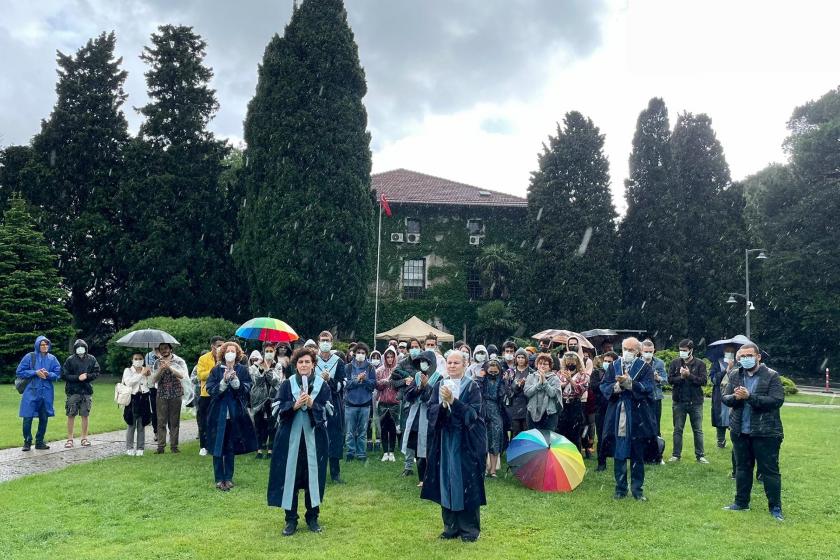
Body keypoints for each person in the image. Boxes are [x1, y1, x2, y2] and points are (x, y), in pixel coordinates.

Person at [421, 350, 487, 542]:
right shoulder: (439, 385)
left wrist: (453, 402)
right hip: (445, 441)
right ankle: (450, 527)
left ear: (465, 365)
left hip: (465, 444)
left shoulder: (472, 387)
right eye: (449, 362)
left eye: (456, 363)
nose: (452, 366)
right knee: (446, 481)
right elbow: (431, 413)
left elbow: (473, 416)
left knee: (466, 482)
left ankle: (469, 529)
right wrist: (442, 406)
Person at [268, 346, 331, 535]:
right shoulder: (287, 385)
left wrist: (313, 405)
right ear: (296, 365)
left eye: (308, 362)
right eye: (301, 362)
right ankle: (290, 520)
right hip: (290, 440)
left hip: (314, 440)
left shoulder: (322, 385)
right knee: (290, 478)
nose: (304, 365)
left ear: (313, 365)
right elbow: (276, 409)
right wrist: (293, 405)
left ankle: (312, 517)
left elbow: (330, 411)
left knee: (313, 477)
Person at [722, 342, 785, 521]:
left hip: (766, 432)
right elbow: (725, 398)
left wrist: (750, 397)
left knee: (769, 471)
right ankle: (741, 503)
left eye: (749, 356)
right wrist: (736, 397)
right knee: (742, 468)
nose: (745, 359)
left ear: (758, 357)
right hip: (740, 431)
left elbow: (776, 400)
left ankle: (775, 508)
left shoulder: (771, 376)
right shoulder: (735, 374)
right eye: (741, 357)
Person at [600, 337, 656, 500]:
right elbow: (604, 386)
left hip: (637, 414)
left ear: (638, 351)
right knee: (619, 451)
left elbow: (649, 388)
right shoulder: (614, 365)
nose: (627, 352)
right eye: (625, 348)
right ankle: (620, 489)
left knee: (637, 452)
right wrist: (616, 387)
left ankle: (638, 491)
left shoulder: (645, 368)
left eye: (631, 350)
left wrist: (631, 384)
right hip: (618, 413)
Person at [206, 342, 258, 491]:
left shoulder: (242, 370)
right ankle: (218, 478)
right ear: (223, 353)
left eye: (233, 351)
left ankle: (228, 478)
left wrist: (235, 381)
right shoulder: (216, 370)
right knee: (217, 447)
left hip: (235, 414)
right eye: (227, 351)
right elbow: (210, 389)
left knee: (230, 446)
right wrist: (223, 381)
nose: (230, 353)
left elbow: (247, 388)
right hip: (218, 414)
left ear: (237, 353)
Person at [401, 350, 441, 486]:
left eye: (426, 361)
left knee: (429, 447)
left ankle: (431, 475)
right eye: (421, 361)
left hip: (429, 418)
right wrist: (419, 388)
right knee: (417, 447)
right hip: (416, 417)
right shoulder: (417, 376)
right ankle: (422, 478)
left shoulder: (438, 378)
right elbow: (408, 395)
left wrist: (426, 387)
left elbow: (433, 398)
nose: (423, 364)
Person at [16, 336, 62, 451]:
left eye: (46, 344)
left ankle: (39, 442)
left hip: (46, 392)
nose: (45, 346)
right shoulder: (29, 357)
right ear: (37, 345)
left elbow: (58, 373)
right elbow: (19, 372)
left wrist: (48, 374)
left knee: (44, 417)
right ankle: (27, 441)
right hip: (31, 391)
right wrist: (35, 372)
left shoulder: (52, 359)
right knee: (27, 417)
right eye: (42, 344)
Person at [667, 339, 709, 464]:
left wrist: (689, 375)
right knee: (678, 429)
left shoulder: (700, 364)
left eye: (684, 350)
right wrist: (681, 377)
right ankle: (676, 455)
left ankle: (700, 455)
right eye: (680, 350)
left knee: (698, 430)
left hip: (695, 402)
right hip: (679, 401)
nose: (682, 353)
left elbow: (703, 381)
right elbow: (670, 380)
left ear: (691, 350)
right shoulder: (675, 363)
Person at [314, 331, 346, 483]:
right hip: (317, 402)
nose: (325, 343)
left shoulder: (338, 361)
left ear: (332, 343)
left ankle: (335, 473)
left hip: (334, 402)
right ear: (318, 342)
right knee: (317, 436)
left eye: (327, 340)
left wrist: (330, 380)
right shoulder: (313, 361)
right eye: (322, 340)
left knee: (334, 436)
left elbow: (342, 385)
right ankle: (317, 472)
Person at [61, 339, 101, 448]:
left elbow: (96, 372)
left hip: (86, 391)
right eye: (78, 347)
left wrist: (87, 376)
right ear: (75, 349)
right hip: (72, 391)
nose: (80, 349)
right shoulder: (70, 360)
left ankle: (84, 438)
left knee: (85, 415)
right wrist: (77, 378)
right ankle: (70, 439)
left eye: (82, 347)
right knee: (71, 414)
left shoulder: (91, 359)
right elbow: (64, 375)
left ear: (86, 348)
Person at [150, 342, 188, 453]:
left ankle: (174, 447)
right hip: (161, 394)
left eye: (166, 348)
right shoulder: (157, 362)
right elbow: (153, 380)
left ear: (170, 349)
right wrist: (160, 369)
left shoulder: (179, 361)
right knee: (161, 421)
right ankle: (160, 447)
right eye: (161, 349)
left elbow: (183, 375)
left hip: (176, 394)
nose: (164, 350)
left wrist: (170, 368)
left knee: (174, 422)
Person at [251, 343, 284, 460]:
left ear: (274, 352)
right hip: (258, 399)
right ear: (263, 352)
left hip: (273, 399)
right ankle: (259, 449)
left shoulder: (278, 366)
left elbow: (277, 382)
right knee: (259, 425)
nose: (269, 353)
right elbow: (257, 382)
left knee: (272, 425)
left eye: (271, 351)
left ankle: (271, 449)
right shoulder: (255, 366)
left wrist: (268, 371)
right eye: (267, 351)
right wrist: (261, 369)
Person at [344, 342, 376, 462]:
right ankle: (350, 452)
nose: (360, 355)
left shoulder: (370, 367)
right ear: (354, 353)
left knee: (363, 431)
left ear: (366, 354)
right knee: (350, 431)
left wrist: (366, 379)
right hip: (350, 404)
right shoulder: (348, 367)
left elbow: (373, 385)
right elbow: (346, 385)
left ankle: (361, 453)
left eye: (363, 353)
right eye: (358, 352)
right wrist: (357, 380)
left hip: (365, 404)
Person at [475, 359, 506, 478]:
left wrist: (504, 381)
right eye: (491, 371)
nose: (493, 373)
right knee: (483, 440)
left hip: (495, 412)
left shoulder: (501, 381)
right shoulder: (481, 380)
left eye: (495, 371)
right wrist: (480, 378)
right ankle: (483, 468)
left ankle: (493, 470)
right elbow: (477, 390)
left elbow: (503, 395)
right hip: (482, 410)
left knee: (495, 439)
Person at [196, 336, 224, 456]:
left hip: (220, 393)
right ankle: (203, 446)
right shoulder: (203, 358)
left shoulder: (225, 358)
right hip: (206, 394)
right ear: (212, 346)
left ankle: (215, 445)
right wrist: (215, 368)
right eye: (219, 345)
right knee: (204, 421)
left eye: (223, 345)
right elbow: (201, 375)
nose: (221, 348)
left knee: (218, 421)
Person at [556, 351, 589, 451]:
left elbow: (580, 390)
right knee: (561, 430)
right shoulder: (559, 374)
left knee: (575, 431)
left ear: (577, 362)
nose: (570, 364)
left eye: (572, 361)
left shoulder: (583, 375)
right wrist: (565, 382)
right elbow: (557, 387)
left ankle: (576, 453)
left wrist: (570, 380)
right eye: (567, 361)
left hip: (575, 403)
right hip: (563, 403)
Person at [122, 352, 154, 456]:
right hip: (132, 398)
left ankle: (140, 448)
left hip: (144, 398)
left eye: (140, 358)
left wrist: (149, 375)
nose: (138, 360)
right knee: (131, 424)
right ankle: (129, 447)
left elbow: (151, 384)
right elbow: (129, 382)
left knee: (142, 424)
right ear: (132, 360)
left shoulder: (146, 370)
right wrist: (141, 374)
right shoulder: (128, 371)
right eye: (136, 358)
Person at [641, 340, 667, 464]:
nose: (648, 354)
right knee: (642, 426)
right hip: (641, 399)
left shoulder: (659, 363)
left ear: (654, 351)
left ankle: (658, 455)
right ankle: (643, 454)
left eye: (650, 352)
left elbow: (665, 381)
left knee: (655, 427)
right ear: (641, 351)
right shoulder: (637, 363)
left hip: (655, 399)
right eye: (646, 352)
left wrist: (658, 378)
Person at [524, 353, 562, 431]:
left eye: (545, 364)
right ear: (537, 365)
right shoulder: (531, 377)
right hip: (532, 412)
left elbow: (552, 394)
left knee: (547, 440)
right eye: (540, 363)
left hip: (549, 413)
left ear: (550, 366)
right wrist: (538, 384)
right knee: (534, 439)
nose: (542, 366)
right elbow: (527, 393)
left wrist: (544, 382)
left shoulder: (555, 379)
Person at [593, 351, 617, 471]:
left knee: (616, 435)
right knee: (601, 436)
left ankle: (617, 458)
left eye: (610, 361)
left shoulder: (618, 373)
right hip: (600, 409)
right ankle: (601, 463)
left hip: (614, 408)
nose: (607, 363)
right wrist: (605, 382)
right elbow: (593, 387)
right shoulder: (597, 373)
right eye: (605, 361)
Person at [376, 347, 401, 462]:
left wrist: (393, 382)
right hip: (382, 403)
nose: (390, 359)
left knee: (393, 428)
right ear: (384, 358)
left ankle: (392, 451)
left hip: (394, 403)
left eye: (392, 356)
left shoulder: (398, 370)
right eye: (388, 357)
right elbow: (376, 386)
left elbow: (401, 385)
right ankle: (385, 451)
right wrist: (383, 382)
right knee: (383, 428)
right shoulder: (379, 370)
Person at [711, 344, 737, 449]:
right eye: (727, 350)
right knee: (720, 418)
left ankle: (737, 441)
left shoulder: (739, 363)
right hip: (720, 395)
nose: (729, 352)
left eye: (731, 351)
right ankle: (720, 441)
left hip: (734, 394)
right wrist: (725, 370)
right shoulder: (717, 363)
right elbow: (713, 380)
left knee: (735, 417)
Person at [504, 348, 532, 438]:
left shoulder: (531, 372)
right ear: (515, 358)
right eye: (518, 357)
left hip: (527, 404)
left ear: (526, 359)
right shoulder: (510, 372)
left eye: (522, 357)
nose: (520, 359)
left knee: (526, 432)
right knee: (515, 433)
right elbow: (507, 389)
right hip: (514, 405)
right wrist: (517, 387)